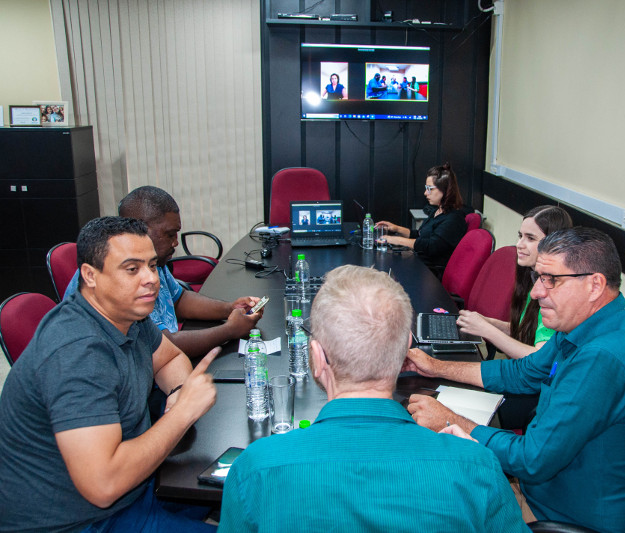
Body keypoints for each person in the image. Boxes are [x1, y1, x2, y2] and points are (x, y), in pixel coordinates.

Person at [218, 265, 528, 533]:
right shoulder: (476, 466)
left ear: (317, 356)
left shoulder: (255, 470)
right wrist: (472, 459)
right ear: (406, 347)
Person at [403, 227, 625, 533]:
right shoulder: (591, 320)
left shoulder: (602, 357)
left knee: (425, 506)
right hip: (549, 492)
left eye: (551, 280)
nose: (536, 292)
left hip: (568, 518)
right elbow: (523, 373)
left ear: (594, 285)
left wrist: (450, 421)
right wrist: (435, 367)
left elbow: (532, 458)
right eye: (538, 278)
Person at [0, 217, 219, 532]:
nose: (150, 280)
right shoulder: (79, 354)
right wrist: (183, 413)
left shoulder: (127, 314)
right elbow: (103, 485)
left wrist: (178, 392)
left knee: (247, 485)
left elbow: (169, 359)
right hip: (82, 520)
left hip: (135, 488)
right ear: (90, 275)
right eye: (132, 269)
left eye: (152, 266)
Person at [64, 186, 262, 359]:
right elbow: (164, 346)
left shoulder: (152, 262)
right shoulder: (110, 280)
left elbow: (179, 300)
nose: (176, 242)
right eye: (169, 234)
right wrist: (229, 330)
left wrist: (230, 308)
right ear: (139, 228)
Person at [456, 205, 573, 359]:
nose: (519, 244)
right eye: (520, 236)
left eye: (530, 238)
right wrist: (486, 322)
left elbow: (539, 357)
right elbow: (525, 330)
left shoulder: (557, 291)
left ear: (555, 244)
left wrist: (486, 330)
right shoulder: (533, 276)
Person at [376, 162, 467, 274]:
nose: (425, 193)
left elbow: (431, 246)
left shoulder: (453, 219)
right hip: (420, 263)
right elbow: (420, 234)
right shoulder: (437, 211)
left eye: (430, 189)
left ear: (445, 190)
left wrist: (397, 240)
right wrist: (396, 229)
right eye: (426, 188)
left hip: (430, 273)